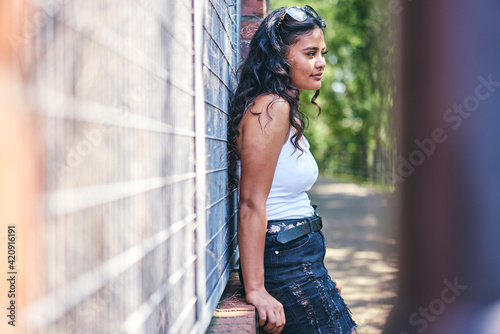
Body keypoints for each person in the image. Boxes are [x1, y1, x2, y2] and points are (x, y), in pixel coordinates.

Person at [228, 5, 358, 334]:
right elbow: (251, 204)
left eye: (322, 53)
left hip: (300, 255)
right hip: (285, 261)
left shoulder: (283, 107)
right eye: (310, 53)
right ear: (280, 57)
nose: (321, 62)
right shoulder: (271, 108)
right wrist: (256, 289)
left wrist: (318, 273)